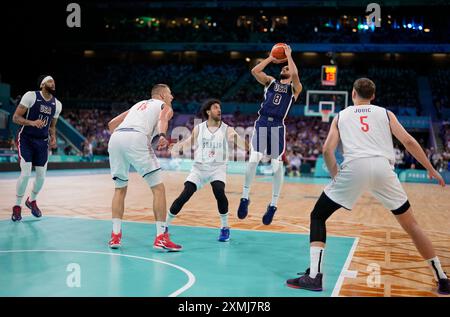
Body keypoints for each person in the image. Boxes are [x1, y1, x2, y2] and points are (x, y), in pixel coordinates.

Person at [286, 78, 449, 295]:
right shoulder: (385, 113)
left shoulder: (341, 115)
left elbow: (327, 150)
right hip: (384, 169)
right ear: (373, 96)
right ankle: (442, 278)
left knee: (318, 215)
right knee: (412, 226)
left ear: (353, 94)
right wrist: (430, 168)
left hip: (354, 167)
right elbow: (409, 141)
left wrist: (336, 175)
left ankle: (315, 276)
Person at [107, 84, 182, 251]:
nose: (172, 97)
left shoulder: (137, 105)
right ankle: (161, 238)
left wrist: (123, 141)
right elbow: (163, 119)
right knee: (158, 189)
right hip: (136, 137)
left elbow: (111, 124)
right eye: (170, 93)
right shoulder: (164, 106)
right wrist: (162, 135)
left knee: (119, 189)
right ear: (162, 94)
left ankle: (115, 237)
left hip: (117, 138)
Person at [237, 44, 302, 225]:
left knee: (276, 165)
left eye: (287, 68)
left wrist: (289, 56)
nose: (284, 68)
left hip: (278, 127)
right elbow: (255, 70)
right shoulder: (271, 82)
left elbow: (295, 75)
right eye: (283, 67)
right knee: (253, 159)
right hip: (263, 122)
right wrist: (271, 58)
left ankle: (273, 204)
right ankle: (244, 197)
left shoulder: (295, 89)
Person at [167, 99, 248, 241]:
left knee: (219, 191)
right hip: (199, 168)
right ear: (208, 112)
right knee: (184, 195)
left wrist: (246, 145)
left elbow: (240, 142)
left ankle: (225, 228)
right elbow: (189, 142)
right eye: (216, 107)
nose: (219, 110)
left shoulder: (227, 129)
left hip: (218, 168)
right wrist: (177, 147)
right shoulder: (199, 128)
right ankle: (165, 226)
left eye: (220, 108)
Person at [11, 75, 62, 221]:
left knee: (41, 177)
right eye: (50, 81)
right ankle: (17, 206)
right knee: (26, 174)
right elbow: (15, 117)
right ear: (42, 84)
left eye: (54, 81)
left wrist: (53, 137)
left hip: (42, 142)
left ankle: (31, 200)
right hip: (26, 139)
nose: (53, 83)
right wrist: (32, 122)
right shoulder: (31, 96)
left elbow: (52, 126)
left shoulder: (57, 104)